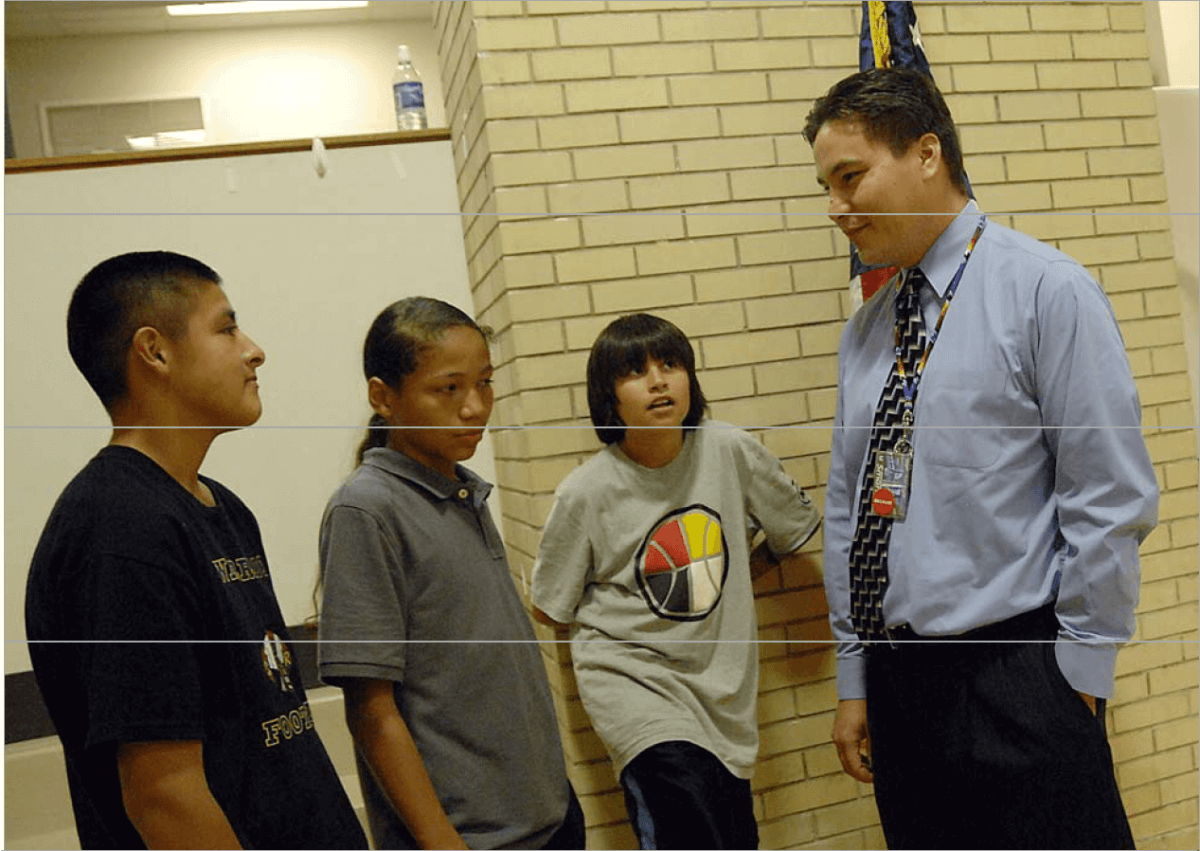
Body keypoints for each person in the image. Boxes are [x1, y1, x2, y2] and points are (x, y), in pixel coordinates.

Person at [804, 67, 1159, 849]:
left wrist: (1079, 676)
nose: (837, 207)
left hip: (1020, 678)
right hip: (901, 691)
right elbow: (848, 511)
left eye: (851, 177)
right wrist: (858, 674)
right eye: (828, 185)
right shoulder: (866, 333)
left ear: (927, 152)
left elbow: (1109, 499)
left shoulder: (1045, 291)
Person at [24, 251, 368, 850]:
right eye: (227, 328)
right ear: (155, 351)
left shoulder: (222, 508)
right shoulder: (118, 527)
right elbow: (165, 795)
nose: (253, 349)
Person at [531, 313, 821, 850]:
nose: (659, 381)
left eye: (671, 365)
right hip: (636, 687)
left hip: (722, 690)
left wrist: (717, 573)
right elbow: (551, 607)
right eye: (635, 371)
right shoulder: (585, 492)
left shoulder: (729, 450)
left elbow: (793, 528)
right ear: (607, 397)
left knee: (733, 838)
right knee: (688, 829)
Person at [316, 297, 583, 850]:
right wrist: (439, 839)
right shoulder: (367, 509)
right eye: (449, 388)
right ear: (382, 397)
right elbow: (370, 707)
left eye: (485, 384)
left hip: (546, 817)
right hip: (471, 839)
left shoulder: (460, 490)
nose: (475, 407)